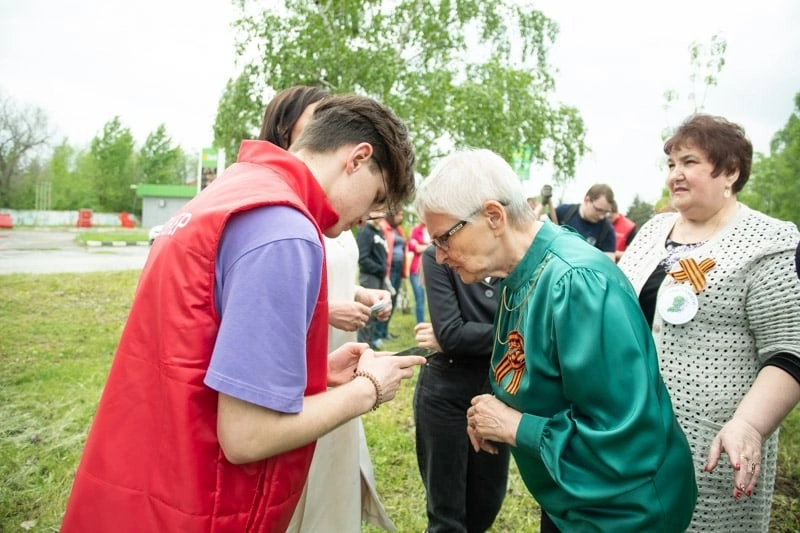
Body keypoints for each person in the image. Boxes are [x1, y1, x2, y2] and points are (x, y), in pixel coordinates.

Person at [61, 93, 427, 532]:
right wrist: (368, 388)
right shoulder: (287, 231)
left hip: (146, 480)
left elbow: (203, 344)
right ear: (357, 158)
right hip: (204, 504)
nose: (367, 217)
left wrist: (313, 373)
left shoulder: (233, 193)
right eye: (377, 195)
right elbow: (247, 436)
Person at [414, 148, 697, 532]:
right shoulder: (519, 276)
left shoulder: (576, 282)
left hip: (621, 513)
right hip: (574, 500)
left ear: (494, 217)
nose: (441, 256)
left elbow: (624, 439)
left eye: (444, 239)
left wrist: (515, 426)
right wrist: (493, 409)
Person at [618, 114, 800, 532]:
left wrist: (748, 425)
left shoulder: (767, 244)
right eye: (670, 165)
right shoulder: (651, 232)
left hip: (711, 447)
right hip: (631, 434)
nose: (675, 175)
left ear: (731, 171)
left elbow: (790, 353)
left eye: (689, 162)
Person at [257, 85, 396, 532]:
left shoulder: (330, 212)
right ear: (289, 128)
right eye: (318, 116)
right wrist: (327, 311)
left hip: (334, 355)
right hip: (298, 359)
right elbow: (247, 434)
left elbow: (328, 274)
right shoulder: (287, 221)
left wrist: (359, 295)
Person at [412, 246, 510, 533]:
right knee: (447, 511)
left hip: (496, 391)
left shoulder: (513, 259)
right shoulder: (439, 256)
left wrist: (459, 335)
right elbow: (451, 333)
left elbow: (534, 329)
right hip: (445, 389)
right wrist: (512, 336)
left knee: (486, 500)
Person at [553, 183, 616, 260]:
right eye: (599, 210)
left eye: (606, 212)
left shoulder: (607, 230)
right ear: (587, 200)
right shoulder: (563, 212)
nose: (602, 216)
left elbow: (608, 264)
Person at [357, 212, 390, 349]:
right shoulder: (366, 231)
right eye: (378, 211)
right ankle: (363, 346)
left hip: (379, 277)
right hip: (370, 277)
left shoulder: (379, 231)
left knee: (377, 313)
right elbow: (363, 258)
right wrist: (379, 269)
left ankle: (370, 344)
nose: (381, 215)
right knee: (368, 315)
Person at [376, 209, 407, 342]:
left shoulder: (398, 230)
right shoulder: (383, 227)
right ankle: (377, 333)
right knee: (386, 300)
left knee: (393, 301)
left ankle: (384, 331)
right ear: (392, 215)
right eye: (399, 214)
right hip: (389, 268)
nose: (401, 217)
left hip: (398, 268)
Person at [408, 220, 431, 323]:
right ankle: (420, 324)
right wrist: (429, 246)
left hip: (431, 270)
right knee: (420, 298)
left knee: (435, 300)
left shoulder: (434, 227)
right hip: (417, 270)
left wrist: (422, 246)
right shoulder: (416, 230)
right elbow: (413, 247)